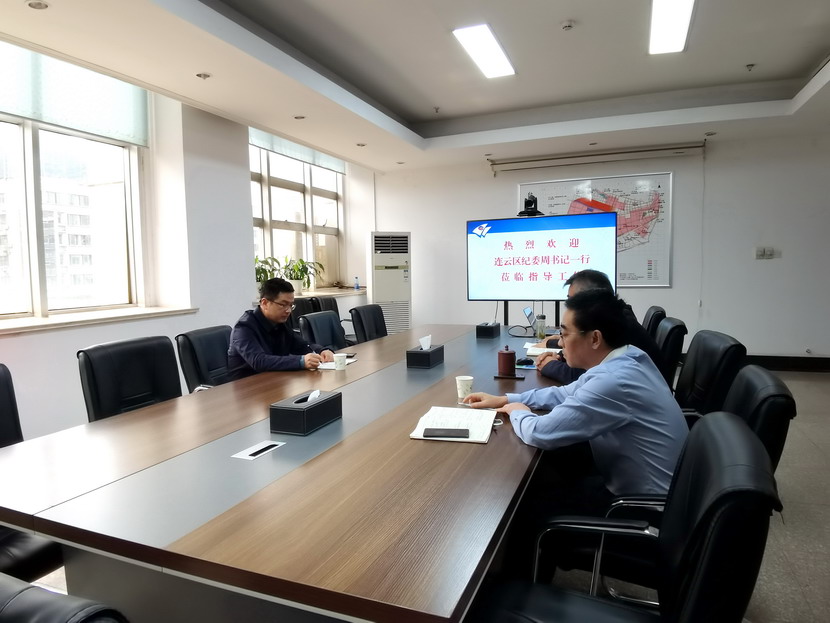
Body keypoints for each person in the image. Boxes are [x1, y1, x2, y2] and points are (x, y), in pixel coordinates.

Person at [465, 289, 687, 577]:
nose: (560, 342)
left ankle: (519, 595)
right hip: (658, 495)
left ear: (594, 338)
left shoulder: (613, 380)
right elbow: (565, 394)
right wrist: (506, 399)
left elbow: (540, 432)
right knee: (546, 475)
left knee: (523, 510)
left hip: (644, 513)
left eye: (564, 333)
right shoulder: (629, 357)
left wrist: (517, 410)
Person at [535, 269, 664, 384]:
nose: (569, 305)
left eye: (572, 300)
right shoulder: (617, 315)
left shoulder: (615, 324)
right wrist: (560, 354)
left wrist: (550, 365)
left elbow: (582, 377)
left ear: (592, 298)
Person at [227, 278, 334, 379]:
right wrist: (301, 361)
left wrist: (321, 351)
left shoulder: (280, 322)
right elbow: (259, 361)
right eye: (283, 305)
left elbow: (301, 345)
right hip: (247, 386)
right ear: (264, 303)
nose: (288, 311)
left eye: (291, 305)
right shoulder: (244, 328)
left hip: (276, 380)